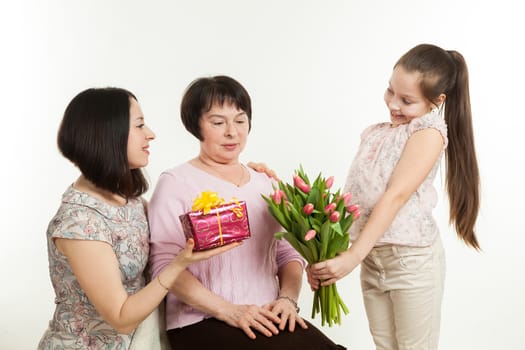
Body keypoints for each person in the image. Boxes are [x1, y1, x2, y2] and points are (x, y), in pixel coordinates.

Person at [148, 75, 345, 349]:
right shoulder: (175, 182)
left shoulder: (266, 181)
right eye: (218, 122)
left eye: (240, 120)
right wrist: (228, 310)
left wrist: (287, 300)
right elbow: (164, 266)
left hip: (266, 315)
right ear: (196, 126)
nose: (232, 132)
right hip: (199, 321)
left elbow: (287, 253)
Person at [307, 43, 480, 350]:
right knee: (385, 346)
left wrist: (352, 257)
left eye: (407, 100)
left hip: (410, 262)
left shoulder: (428, 132)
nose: (393, 104)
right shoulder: (375, 132)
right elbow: (355, 199)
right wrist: (330, 256)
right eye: (390, 91)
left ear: (436, 101)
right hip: (373, 259)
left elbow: (395, 196)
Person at [38, 87, 239, 350]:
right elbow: (122, 318)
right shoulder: (79, 223)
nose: (151, 134)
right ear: (108, 135)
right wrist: (177, 265)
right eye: (140, 125)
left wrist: (241, 175)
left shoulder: (129, 201)